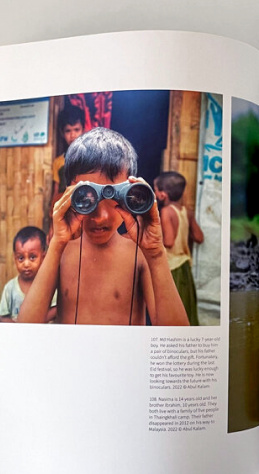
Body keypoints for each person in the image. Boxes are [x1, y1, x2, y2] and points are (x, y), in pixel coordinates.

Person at [18, 127, 189, 326]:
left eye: (115, 198)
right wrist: (56, 243)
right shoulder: (62, 251)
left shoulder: (139, 254)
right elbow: (26, 326)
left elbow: (176, 339)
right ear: (68, 196)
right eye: (86, 198)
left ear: (132, 196)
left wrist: (156, 254)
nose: (101, 217)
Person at [154, 171, 204, 326]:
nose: (154, 193)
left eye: (155, 190)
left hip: (172, 268)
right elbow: (199, 237)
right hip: (185, 267)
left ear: (163, 195)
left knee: (172, 309)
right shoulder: (186, 211)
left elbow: (168, 241)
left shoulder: (166, 212)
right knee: (186, 307)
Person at [0, 226, 57, 322]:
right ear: (14, 258)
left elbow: (56, 309)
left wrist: (34, 321)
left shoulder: (49, 287)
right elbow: (2, 316)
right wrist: (18, 330)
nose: (26, 264)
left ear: (43, 257)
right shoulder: (10, 288)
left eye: (32, 257)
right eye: (21, 258)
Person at [50, 105, 86, 211]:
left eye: (76, 129)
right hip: (64, 209)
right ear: (62, 133)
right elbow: (56, 192)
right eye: (68, 131)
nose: (72, 135)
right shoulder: (58, 162)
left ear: (83, 130)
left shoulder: (91, 159)